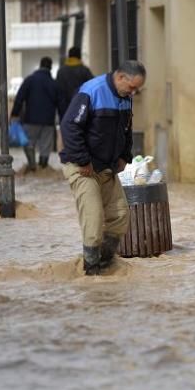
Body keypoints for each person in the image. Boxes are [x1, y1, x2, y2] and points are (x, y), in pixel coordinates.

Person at [60, 60, 147, 275]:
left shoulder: (125, 98)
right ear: (120, 77)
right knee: (94, 219)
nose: (134, 92)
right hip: (82, 168)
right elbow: (69, 126)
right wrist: (83, 160)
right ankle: (91, 275)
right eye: (133, 87)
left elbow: (126, 130)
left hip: (105, 168)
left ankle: (105, 265)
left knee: (120, 216)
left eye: (138, 89)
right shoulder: (92, 91)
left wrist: (124, 157)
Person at [10, 56, 65, 171]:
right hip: (48, 122)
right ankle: (43, 168)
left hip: (31, 120)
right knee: (45, 146)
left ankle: (32, 166)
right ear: (50, 68)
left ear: (40, 65)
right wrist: (63, 120)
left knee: (28, 143)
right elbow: (61, 104)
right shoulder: (54, 84)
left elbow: (20, 97)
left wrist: (14, 113)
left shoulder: (30, 80)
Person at [56, 46, 94, 112]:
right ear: (79, 56)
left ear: (69, 56)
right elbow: (93, 87)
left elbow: (59, 92)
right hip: (81, 106)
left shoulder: (61, 71)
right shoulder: (84, 70)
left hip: (65, 108)